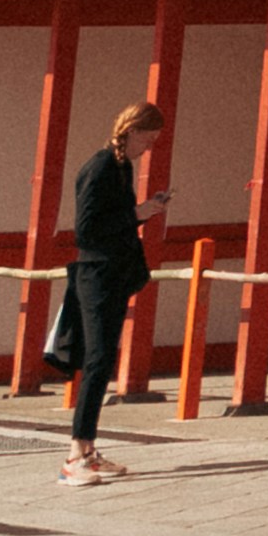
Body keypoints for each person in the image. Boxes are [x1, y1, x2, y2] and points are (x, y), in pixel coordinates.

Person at [55, 95, 167, 485]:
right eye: (147, 140)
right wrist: (136, 214)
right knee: (98, 359)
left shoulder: (121, 167)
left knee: (102, 359)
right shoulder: (102, 166)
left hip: (113, 272)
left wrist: (139, 211)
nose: (148, 149)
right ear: (132, 131)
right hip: (96, 273)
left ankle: (88, 449)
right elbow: (84, 229)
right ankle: (75, 453)